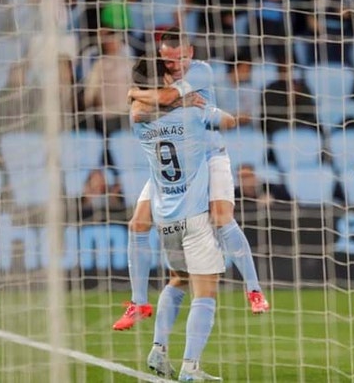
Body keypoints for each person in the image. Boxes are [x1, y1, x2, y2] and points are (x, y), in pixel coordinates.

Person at [114, 27, 269, 332]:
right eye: (169, 62)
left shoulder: (201, 71)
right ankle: (139, 302)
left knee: (222, 217)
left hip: (210, 157)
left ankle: (254, 289)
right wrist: (155, 99)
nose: (176, 66)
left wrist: (137, 93)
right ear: (161, 57)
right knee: (137, 223)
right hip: (175, 160)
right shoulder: (159, 75)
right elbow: (138, 113)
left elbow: (166, 97)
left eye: (181, 59)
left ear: (191, 54)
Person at [130, 57, 231, 381]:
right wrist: (190, 102)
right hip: (194, 214)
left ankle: (158, 349)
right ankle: (190, 368)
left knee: (178, 278)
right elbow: (226, 122)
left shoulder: (140, 122)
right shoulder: (190, 116)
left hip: (165, 215)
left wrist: (139, 94)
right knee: (206, 289)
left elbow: (145, 109)